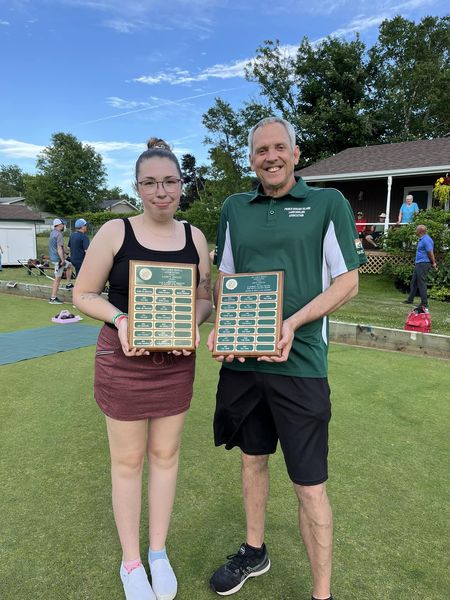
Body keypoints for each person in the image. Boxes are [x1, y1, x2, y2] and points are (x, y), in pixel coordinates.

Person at [207, 117, 366, 600]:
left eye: (280, 148)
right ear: (251, 159)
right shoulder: (235, 207)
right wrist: (221, 325)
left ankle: (322, 594)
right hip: (243, 363)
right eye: (260, 151)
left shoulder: (328, 204)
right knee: (253, 460)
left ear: (296, 155)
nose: (270, 157)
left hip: (300, 366)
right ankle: (254, 550)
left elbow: (348, 281)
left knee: (309, 485)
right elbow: (226, 277)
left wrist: (292, 324)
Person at [73, 137, 212, 600]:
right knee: (128, 462)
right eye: (150, 182)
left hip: (175, 363)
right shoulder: (115, 231)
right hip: (123, 361)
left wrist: (190, 322)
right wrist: (122, 318)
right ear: (137, 186)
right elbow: (84, 294)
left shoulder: (195, 237)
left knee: (166, 457)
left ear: (181, 184)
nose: (161, 191)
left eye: (169, 181)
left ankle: (158, 552)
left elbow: (204, 298)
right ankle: (131, 562)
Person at [403, 224, 437, 307]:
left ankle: (424, 303)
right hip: (419, 263)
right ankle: (410, 300)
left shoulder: (426, 240)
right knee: (414, 282)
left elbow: (430, 252)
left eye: (416, 229)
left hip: (423, 263)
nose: (415, 231)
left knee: (421, 283)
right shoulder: (422, 239)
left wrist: (433, 263)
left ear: (420, 231)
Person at [48, 218, 74, 304]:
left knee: (69, 265)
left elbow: (59, 247)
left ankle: (68, 283)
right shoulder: (59, 234)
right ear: (59, 225)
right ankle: (53, 298)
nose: (63, 226)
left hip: (54, 258)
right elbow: (59, 248)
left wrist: (66, 252)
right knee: (57, 279)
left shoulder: (52, 233)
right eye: (62, 224)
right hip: (58, 260)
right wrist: (62, 259)